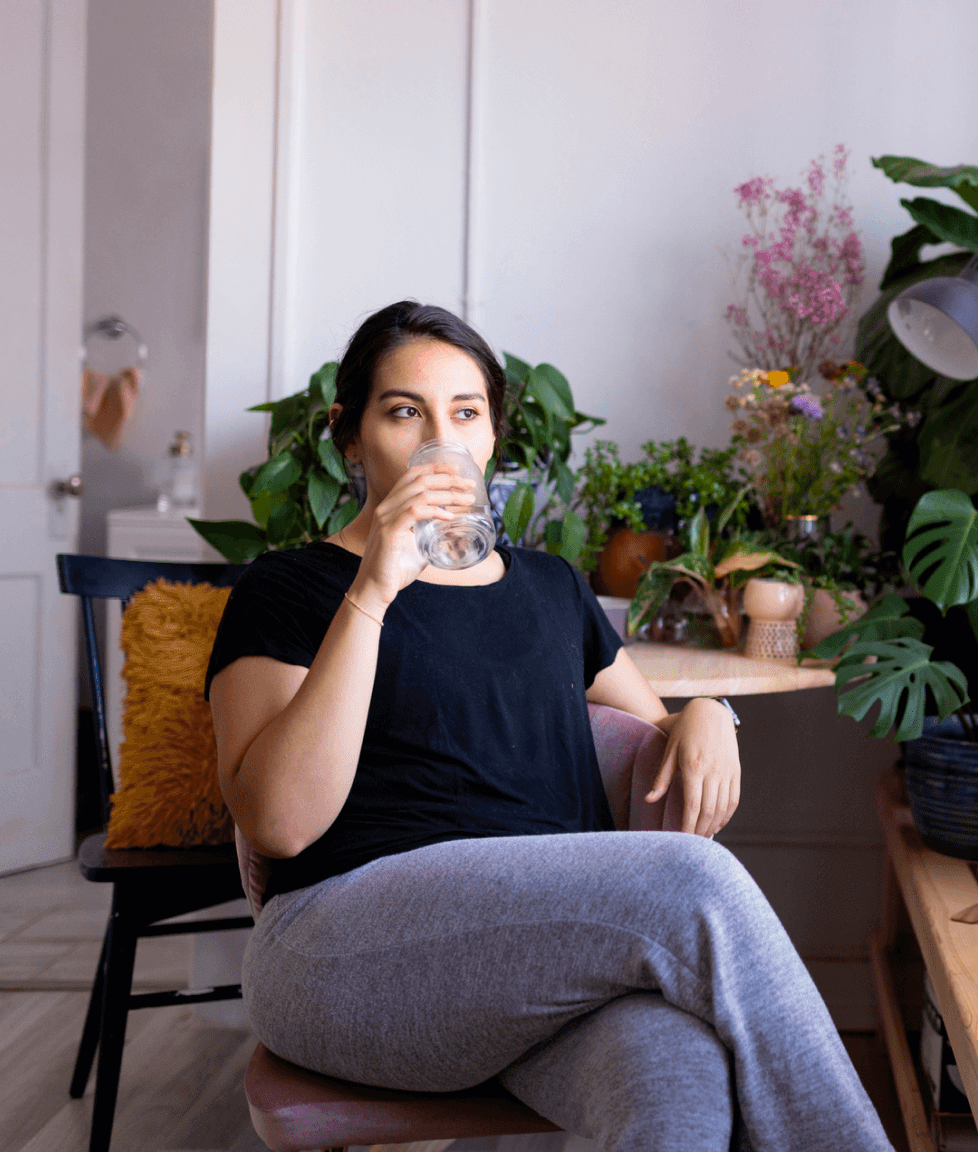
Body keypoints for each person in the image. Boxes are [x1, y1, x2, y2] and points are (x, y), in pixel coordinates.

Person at [206, 300, 891, 1152]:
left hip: (532, 974)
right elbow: (278, 823)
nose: (437, 440)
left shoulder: (549, 589)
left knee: (678, 1074)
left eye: (464, 412)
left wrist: (709, 713)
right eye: (403, 411)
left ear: (492, 435)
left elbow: (654, 733)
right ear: (351, 438)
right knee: (694, 882)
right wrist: (376, 587)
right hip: (342, 955)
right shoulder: (291, 588)